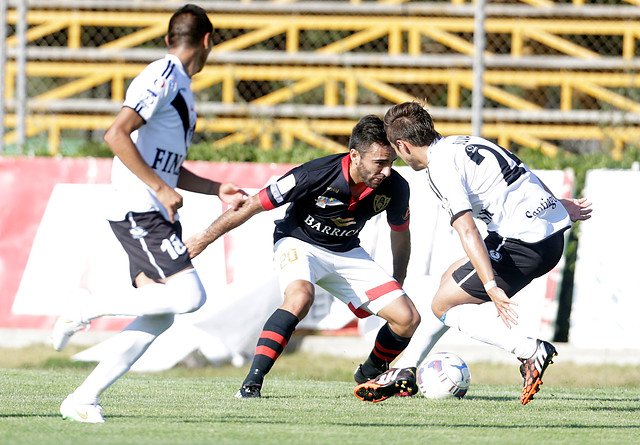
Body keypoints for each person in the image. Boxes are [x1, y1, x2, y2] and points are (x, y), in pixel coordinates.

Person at [50, 4, 247, 423]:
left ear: (169, 38)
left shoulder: (180, 86)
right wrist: (159, 187)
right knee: (191, 297)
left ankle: (83, 399)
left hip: (154, 208)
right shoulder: (163, 75)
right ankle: (86, 306)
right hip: (139, 207)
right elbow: (116, 134)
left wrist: (215, 189)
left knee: (160, 315)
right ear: (208, 41)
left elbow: (164, 163)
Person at [355, 101, 592, 405]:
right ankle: (405, 370)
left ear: (402, 145)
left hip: (524, 243)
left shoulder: (440, 168)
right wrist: (557, 204)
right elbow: (523, 174)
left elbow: (468, 230)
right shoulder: (463, 142)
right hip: (543, 234)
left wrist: (491, 286)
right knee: (447, 281)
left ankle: (529, 350)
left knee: (442, 304)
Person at [186, 115, 421, 402]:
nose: (386, 171)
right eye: (379, 163)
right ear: (354, 155)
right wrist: (203, 238)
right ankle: (251, 385)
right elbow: (250, 206)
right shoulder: (313, 174)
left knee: (407, 318)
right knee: (300, 298)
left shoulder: (396, 187)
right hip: (299, 242)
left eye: (391, 162)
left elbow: (400, 233)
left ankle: (369, 373)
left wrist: (398, 280)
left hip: (346, 249)